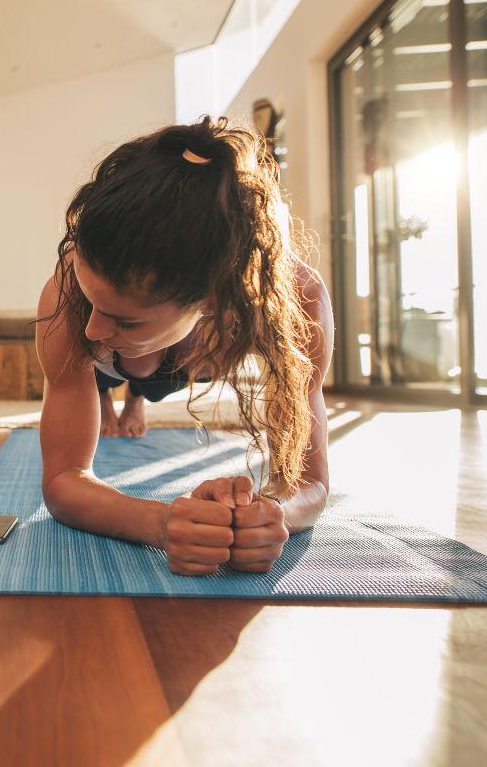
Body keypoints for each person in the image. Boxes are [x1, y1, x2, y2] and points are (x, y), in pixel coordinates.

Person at [35, 117, 333, 576]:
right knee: (111, 355)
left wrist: (272, 513)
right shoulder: (68, 298)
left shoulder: (300, 300)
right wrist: (161, 522)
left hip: (196, 349)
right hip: (117, 369)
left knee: (143, 360)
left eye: (123, 319)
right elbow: (61, 479)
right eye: (94, 301)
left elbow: (310, 481)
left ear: (212, 302)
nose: (93, 329)